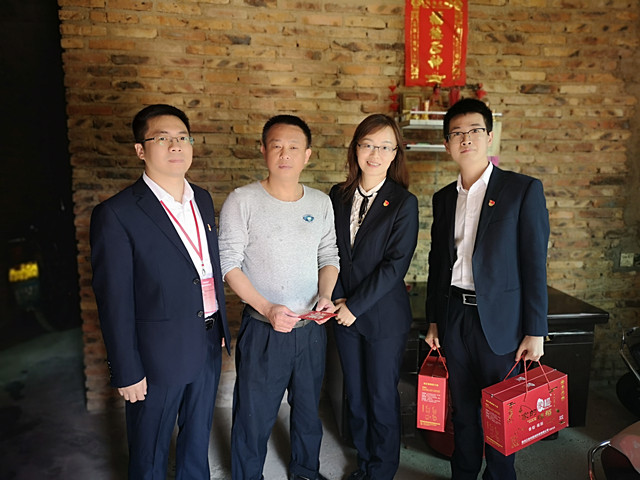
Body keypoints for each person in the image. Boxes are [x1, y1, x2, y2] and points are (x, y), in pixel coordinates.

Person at [90, 104, 231, 479]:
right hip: (155, 354)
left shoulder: (202, 199)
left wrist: (216, 323)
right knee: (149, 447)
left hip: (207, 339)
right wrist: (126, 369)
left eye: (183, 137)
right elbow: (114, 301)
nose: (176, 145)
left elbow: (204, 268)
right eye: (163, 138)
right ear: (140, 150)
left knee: (197, 436)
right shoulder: (117, 213)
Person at [424, 98, 550, 479]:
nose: (466, 139)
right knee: (462, 412)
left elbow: (534, 264)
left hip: (500, 322)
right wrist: (434, 321)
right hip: (455, 317)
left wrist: (536, 330)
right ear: (447, 144)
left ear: (490, 137)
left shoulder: (521, 190)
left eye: (475, 131)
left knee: (501, 416)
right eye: (457, 133)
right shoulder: (443, 198)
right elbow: (437, 264)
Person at [218, 114, 340, 480]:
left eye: (294, 147)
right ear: (263, 150)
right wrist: (267, 307)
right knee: (253, 414)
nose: (285, 154)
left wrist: (325, 295)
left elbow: (329, 255)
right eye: (276, 146)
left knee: (308, 411)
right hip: (263, 330)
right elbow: (228, 263)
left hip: (310, 329)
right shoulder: (243, 200)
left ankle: (306, 471)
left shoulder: (319, 202)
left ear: (307, 155)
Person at [329, 114, 419, 480]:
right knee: (356, 393)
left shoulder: (403, 202)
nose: (375, 153)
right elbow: (329, 252)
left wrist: (354, 305)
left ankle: (381, 470)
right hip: (342, 314)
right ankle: (364, 462)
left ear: (395, 153)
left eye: (384, 146)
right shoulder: (338, 195)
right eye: (368, 144)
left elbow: (395, 266)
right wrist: (336, 299)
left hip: (382, 318)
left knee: (381, 395)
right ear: (356, 149)